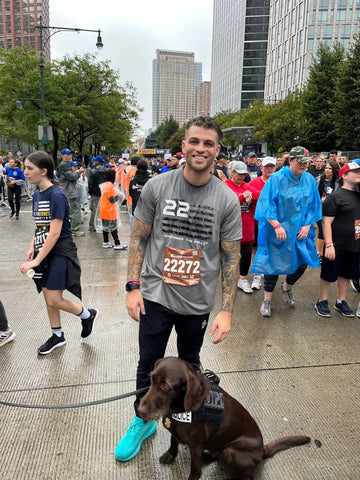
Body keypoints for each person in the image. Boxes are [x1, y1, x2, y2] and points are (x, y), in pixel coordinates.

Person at [114, 116, 242, 462]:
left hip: (197, 303)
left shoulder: (227, 200)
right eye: (194, 141)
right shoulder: (157, 187)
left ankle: (186, 421)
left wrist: (227, 310)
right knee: (148, 366)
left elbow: (231, 257)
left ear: (217, 149)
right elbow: (139, 235)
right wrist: (132, 286)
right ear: (183, 145)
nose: (200, 148)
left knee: (190, 368)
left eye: (208, 143)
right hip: (155, 296)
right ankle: (143, 422)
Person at [19, 151, 98, 354]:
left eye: (30, 168)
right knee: (48, 297)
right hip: (44, 250)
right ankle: (57, 335)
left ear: (44, 171)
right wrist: (31, 247)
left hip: (60, 251)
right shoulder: (37, 194)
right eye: (25, 167)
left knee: (55, 299)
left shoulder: (56, 194)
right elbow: (41, 227)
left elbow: (54, 233)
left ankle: (87, 315)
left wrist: (36, 260)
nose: (25, 172)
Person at [251, 146, 322, 317]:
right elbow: (266, 204)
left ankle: (287, 287)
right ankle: (267, 300)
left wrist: (307, 225)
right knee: (273, 265)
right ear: (290, 160)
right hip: (276, 230)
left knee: (303, 261)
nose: (304, 165)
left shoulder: (309, 179)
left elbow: (314, 205)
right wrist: (276, 225)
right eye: (300, 161)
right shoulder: (276, 178)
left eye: (306, 162)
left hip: (300, 230)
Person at [315, 162, 360, 318]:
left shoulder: (358, 195)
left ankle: (341, 301)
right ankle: (322, 300)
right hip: (335, 244)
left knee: (346, 275)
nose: (359, 173)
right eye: (355, 171)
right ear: (344, 175)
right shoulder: (335, 196)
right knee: (328, 274)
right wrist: (328, 244)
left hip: (353, 244)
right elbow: (326, 222)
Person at [225, 161, 260, 293]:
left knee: (246, 254)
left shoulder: (246, 185)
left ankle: (243, 279)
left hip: (247, 227)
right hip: (231, 229)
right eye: (239, 174)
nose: (241, 177)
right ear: (232, 172)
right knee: (230, 256)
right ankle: (228, 279)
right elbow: (226, 202)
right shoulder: (226, 186)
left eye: (243, 174)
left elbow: (259, 195)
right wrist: (240, 197)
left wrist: (252, 196)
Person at [248, 156, 277, 290]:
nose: (269, 168)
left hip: (274, 224)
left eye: (272, 166)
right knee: (257, 250)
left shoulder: (279, 183)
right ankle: (257, 276)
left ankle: (267, 273)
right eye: (267, 166)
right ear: (261, 168)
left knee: (271, 250)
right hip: (257, 223)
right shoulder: (253, 183)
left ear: (276, 168)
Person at [96, 169, 128, 250]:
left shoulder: (105, 184)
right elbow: (112, 199)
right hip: (109, 210)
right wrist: (119, 195)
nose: (116, 176)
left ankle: (106, 242)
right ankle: (117, 243)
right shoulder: (110, 186)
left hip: (104, 210)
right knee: (113, 227)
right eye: (115, 175)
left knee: (105, 227)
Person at [56, 149, 85, 237]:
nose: (70, 156)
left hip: (65, 190)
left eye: (70, 154)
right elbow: (72, 177)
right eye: (67, 154)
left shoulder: (64, 165)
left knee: (68, 210)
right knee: (75, 210)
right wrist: (79, 171)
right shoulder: (64, 165)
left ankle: (67, 228)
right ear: (63, 156)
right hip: (68, 191)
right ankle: (74, 229)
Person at [316, 161, 339, 260]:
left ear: (334, 170)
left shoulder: (338, 182)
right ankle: (320, 253)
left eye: (330, 168)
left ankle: (329, 248)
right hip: (320, 209)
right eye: (326, 168)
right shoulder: (318, 180)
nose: (327, 170)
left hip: (333, 210)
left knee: (331, 230)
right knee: (321, 231)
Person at [88, 155, 107, 231]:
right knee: (103, 209)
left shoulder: (93, 171)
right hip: (104, 193)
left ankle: (92, 226)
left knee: (94, 210)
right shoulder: (106, 171)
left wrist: (91, 192)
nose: (94, 162)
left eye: (95, 160)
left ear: (98, 162)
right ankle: (102, 225)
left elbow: (90, 184)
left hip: (95, 194)